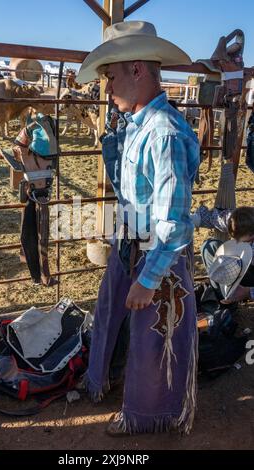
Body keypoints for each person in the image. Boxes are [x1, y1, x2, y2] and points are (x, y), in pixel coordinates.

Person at [77, 21, 200, 435]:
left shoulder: (163, 134)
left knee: (154, 332)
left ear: (136, 70)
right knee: (113, 308)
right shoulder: (139, 126)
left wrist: (149, 278)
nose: (107, 88)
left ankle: (146, 414)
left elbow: (174, 220)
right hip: (132, 237)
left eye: (110, 77)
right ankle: (107, 379)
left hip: (154, 249)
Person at [192, 205, 254, 304]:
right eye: (234, 238)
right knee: (210, 246)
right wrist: (190, 219)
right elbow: (217, 218)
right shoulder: (241, 221)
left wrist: (248, 292)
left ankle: (228, 297)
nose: (237, 243)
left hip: (250, 279)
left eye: (245, 242)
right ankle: (224, 298)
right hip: (237, 271)